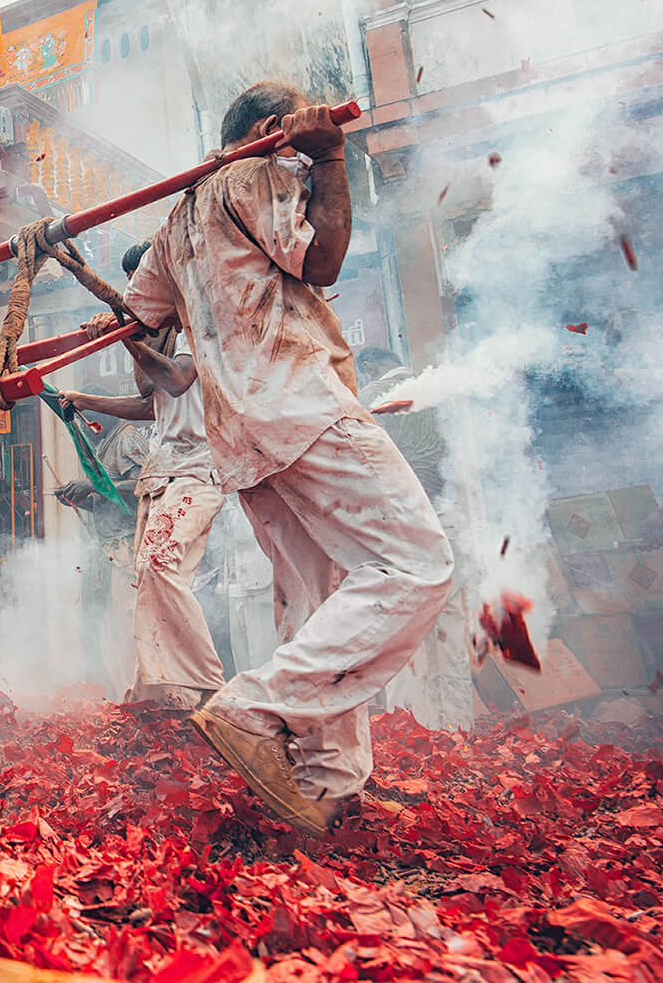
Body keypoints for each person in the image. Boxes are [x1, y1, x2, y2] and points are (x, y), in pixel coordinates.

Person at [121, 81, 452, 836]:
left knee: (317, 598)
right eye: (296, 126)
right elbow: (323, 262)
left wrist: (174, 356)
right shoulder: (259, 175)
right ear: (272, 130)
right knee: (417, 564)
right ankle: (252, 708)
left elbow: (134, 328)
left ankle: (328, 783)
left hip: (240, 437)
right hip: (301, 403)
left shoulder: (178, 220)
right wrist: (328, 156)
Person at [63, 241, 226, 714]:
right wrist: (86, 399)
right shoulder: (163, 334)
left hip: (199, 467)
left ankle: (210, 689)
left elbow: (175, 381)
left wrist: (124, 335)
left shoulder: (202, 326)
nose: (142, 294)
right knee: (145, 583)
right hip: (162, 472)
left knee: (158, 566)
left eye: (146, 283)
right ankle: (158, 697)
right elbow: (148, 402)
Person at [354, 347, 473, 732]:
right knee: (449, 633)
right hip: (451, 522)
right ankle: (457, 729)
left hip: (406, 526)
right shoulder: (445, 395)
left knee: (402, 632)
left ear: (368, 367)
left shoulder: (372, 396)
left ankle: (412, 733)